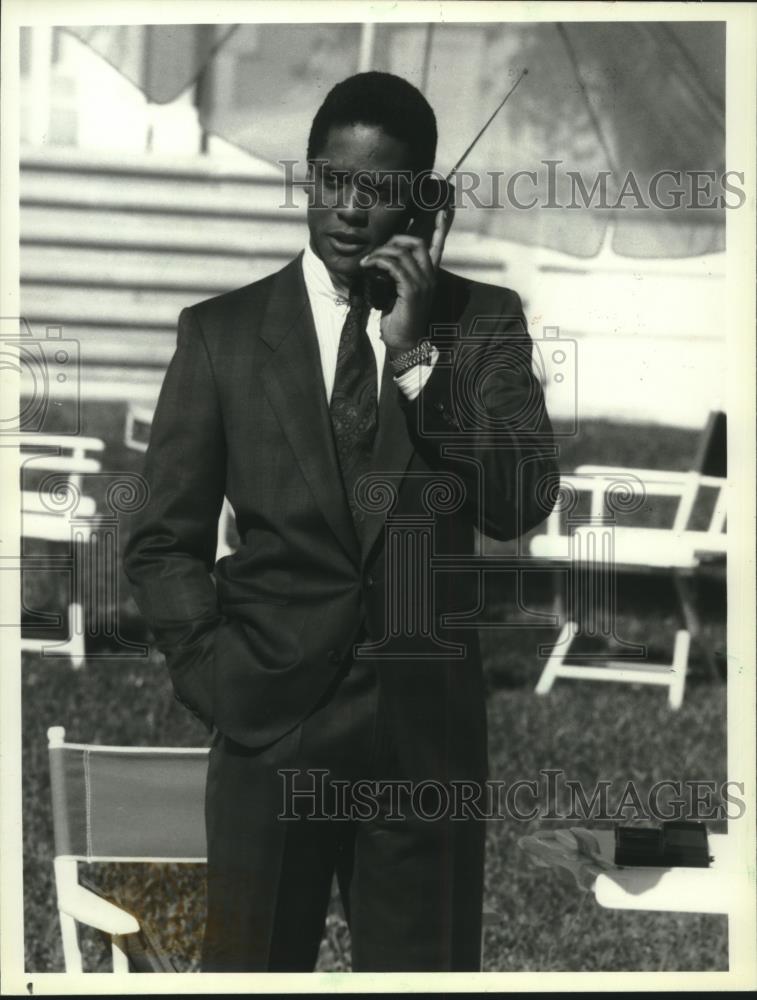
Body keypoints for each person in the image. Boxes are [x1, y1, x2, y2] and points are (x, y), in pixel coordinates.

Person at [124, 71, 557, 972]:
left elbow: (520, 503)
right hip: (268, 727)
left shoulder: (482, 325)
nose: (350, 211)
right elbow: (164, 541)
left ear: (425, 202)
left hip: (422, 742)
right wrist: (216, 677)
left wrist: (416, 363)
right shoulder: (223, 335)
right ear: (310, 177)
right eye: (331, 181)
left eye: (380, 190)